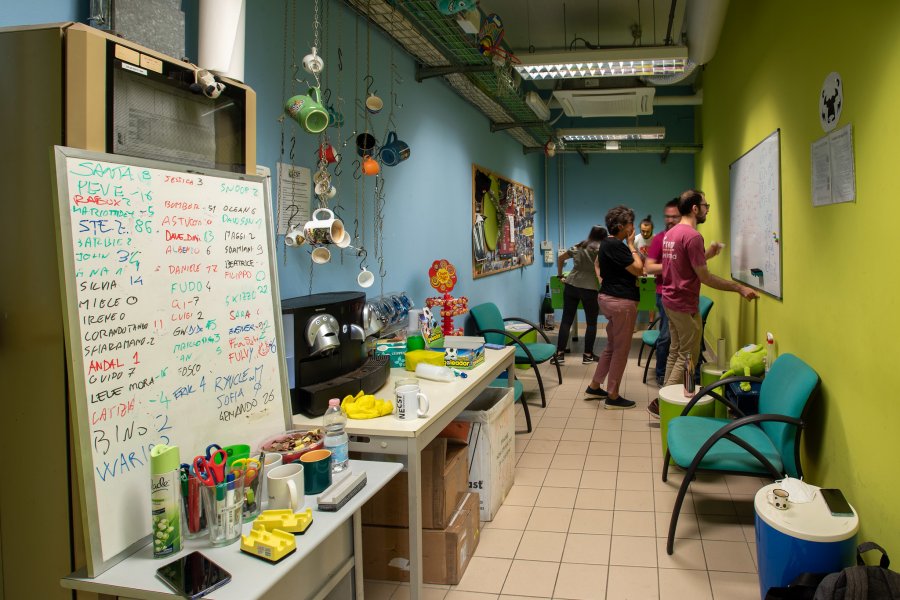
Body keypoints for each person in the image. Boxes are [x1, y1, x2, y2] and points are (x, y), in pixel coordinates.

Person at [660, 189, 758, 389]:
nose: (707, 210)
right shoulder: (693, 236)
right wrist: (738, 287)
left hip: (670, 300)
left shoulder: (671, 233)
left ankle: (670, 393)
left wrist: (707, 254)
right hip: (683, 304)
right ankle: (664, 403)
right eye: (705, 206)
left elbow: (685, 265)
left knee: (676, 350)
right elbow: (705, 277)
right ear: (695, 209)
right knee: (687, 356)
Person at [585, 206, 643, 409]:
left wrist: (604, 283)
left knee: (611, 346)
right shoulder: (617, 245)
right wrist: (632, 245)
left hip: (609, 299)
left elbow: (598, 265)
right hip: (621, 303)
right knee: (621, 350)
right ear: (621, 227)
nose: (633, 228)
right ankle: (613, 395)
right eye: (630, 224)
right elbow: (639, 269)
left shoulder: (607, 244)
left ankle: (594, 386)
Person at [552, 226, 607, 365]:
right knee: (591, 323)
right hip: (590, 288)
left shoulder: (578, 246)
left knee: (566, 320)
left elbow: (560, 258)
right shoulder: (601, 250)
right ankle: (587, 355)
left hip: (572, 285)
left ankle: (559, 355)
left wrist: (560, 275)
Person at [644, 199, 680, 395]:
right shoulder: (660, 239)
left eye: (674, 216)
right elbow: (648, 267)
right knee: (666, 336)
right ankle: (661, 374)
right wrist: (675, 265)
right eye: (667, 216)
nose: (670, 220)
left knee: (680, 340)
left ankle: (677, 375)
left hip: (682, 295)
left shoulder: (686, 237)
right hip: (663, 293)